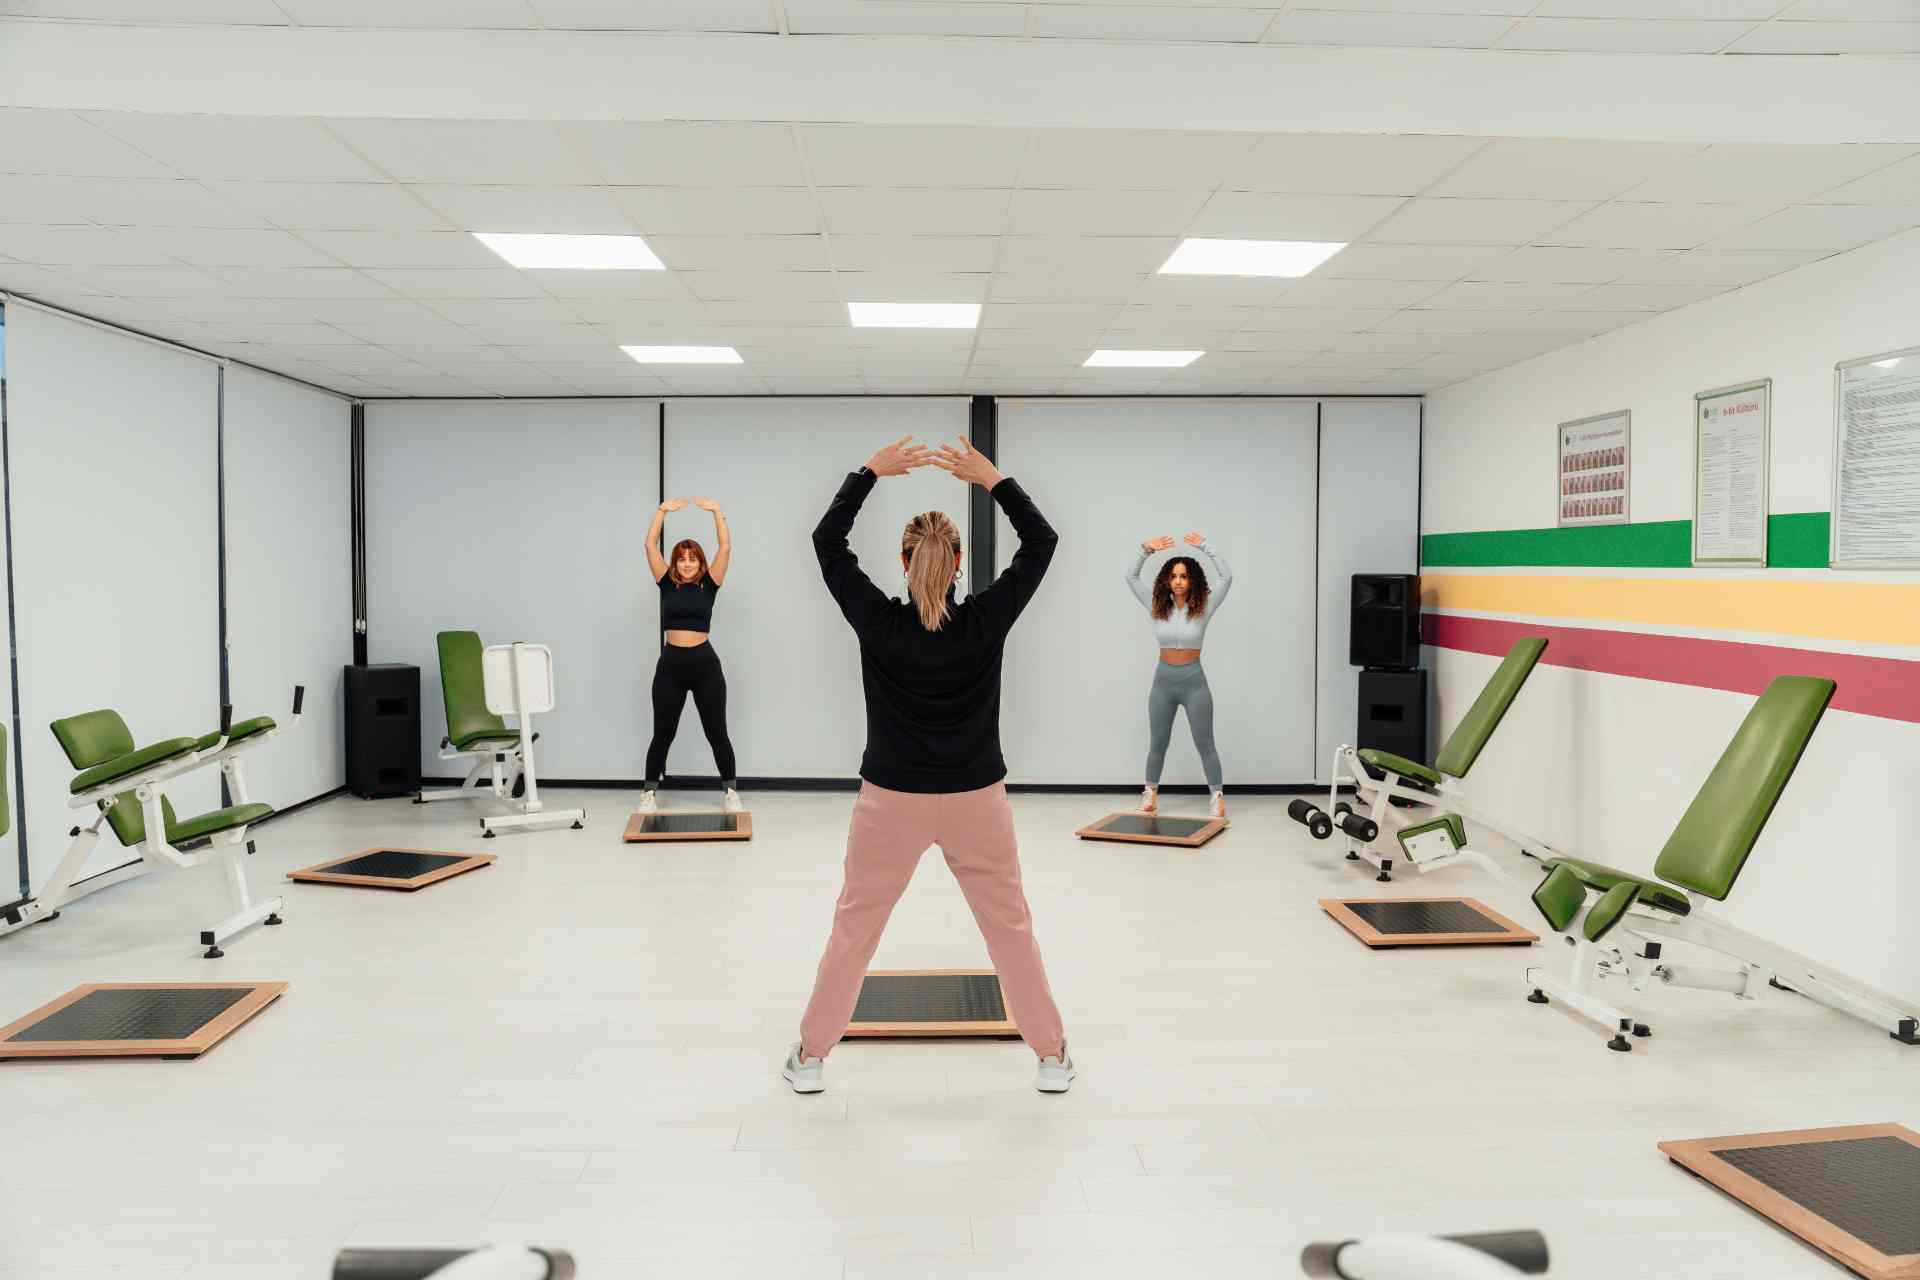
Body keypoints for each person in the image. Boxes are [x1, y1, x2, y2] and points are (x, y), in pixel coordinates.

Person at [784, 435, 1072, 1095]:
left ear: (903, 559)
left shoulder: (879, 623)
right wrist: (992, 479)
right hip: (978, 800)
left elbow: (828, 543)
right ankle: (1051, 1058)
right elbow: (1042, 543)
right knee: (1009, 929)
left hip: (890, 802)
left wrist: (869, 475)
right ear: (961, 561)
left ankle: (810, 1058)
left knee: (854, 929)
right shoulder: (985, 621)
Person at [638, 497, 741, 815]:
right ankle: (649, 794)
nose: (686, 563)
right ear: (675, 563)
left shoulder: (710, 585)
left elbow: (724, 548)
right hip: (670, 666)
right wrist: (661, 512)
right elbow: (649, 544)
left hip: (705, 666)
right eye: (681, 559)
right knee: (663, 733)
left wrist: (717, 513)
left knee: (717, 732)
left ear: (700, 563)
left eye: (692, 559)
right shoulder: (666, 584)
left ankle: (730, 792)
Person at [1125, 532, 1234, 820]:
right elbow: (1131, 577)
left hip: (1193, 681)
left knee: (1205, 742)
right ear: (1166, 580)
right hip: (1163, 682)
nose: (1178, 581)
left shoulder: (1204, 606)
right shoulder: (1156, 605)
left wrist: (1207, 547)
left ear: (1192, 580)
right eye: (1173, 576)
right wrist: (1144, 550)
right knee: (1157, 742)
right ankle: (1150, 795)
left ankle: (1217, 796)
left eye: (1184, 576)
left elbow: (1227, 577)